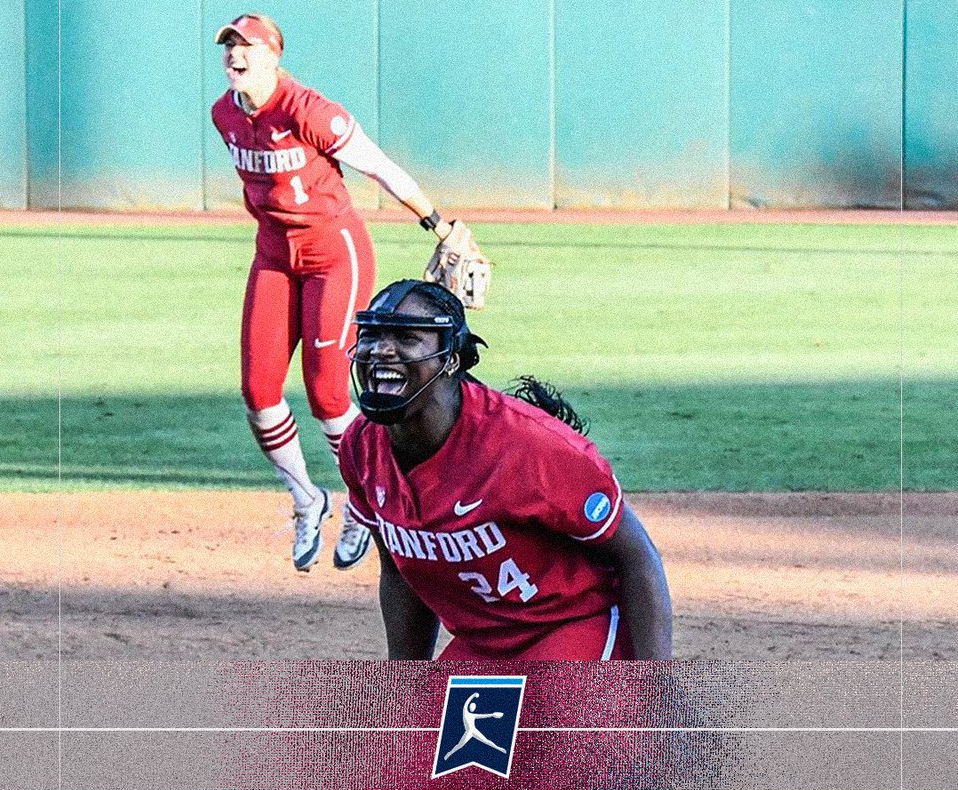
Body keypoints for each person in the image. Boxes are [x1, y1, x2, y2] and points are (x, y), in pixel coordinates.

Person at [211, 13, 465, 572]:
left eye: (246, 46)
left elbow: (378, 166)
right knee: (257, 390)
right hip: (274, 253)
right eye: (228, 46)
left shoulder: (310, 112)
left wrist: (439, 223)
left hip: (334, 252)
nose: (234, 55)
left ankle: (363, 501)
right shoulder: (224, 114)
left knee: (328, 392)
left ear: (273, 56)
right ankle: (307, 497)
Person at [338, 280, 673, 661]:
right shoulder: (361, 447)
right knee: (427, 723)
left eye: (406, 338)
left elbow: (637, 555)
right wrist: (405, 685)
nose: (380, 349)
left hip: (573, 624)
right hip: (484, 645)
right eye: (370, 336)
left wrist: (655, 687)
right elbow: (398, 574)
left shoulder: (531, 446)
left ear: (451, 358)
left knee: (552, 718)